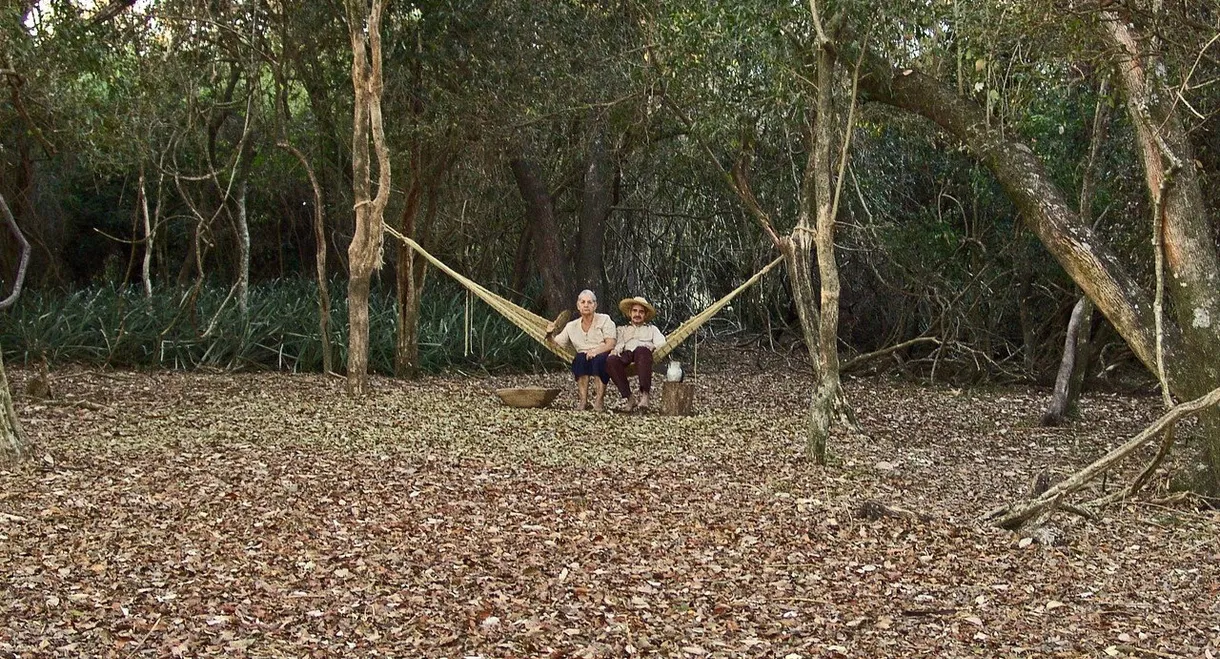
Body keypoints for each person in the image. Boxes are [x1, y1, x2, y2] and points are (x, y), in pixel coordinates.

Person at [546, 289, 616, 411]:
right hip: (583, 355)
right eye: (583, 302)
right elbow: (556, 345)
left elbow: (610, 344)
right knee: (579, 359)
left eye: (589, 302)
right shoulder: (571, 326)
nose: (586, 305)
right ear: (578, 306)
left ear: (595, 305)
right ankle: (583, 401)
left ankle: (599, 401)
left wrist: (595, 352)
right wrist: (549, 335)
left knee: (598, 361)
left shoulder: (605, 320)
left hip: (602, 352)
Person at [606, 296, 666, 412]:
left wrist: (652, 346)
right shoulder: (622, 329)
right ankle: (629, 397)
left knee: (642, 350)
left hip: (643, 354)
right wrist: (615, 351)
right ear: (630, 313)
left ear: (645, 315)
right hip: (626, 355)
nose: (637, 314)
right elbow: (618, 344)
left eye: (641, 312)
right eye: (635, 311)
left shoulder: (652, 329)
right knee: (610, 360)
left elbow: (662, 343)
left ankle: (645, 396)